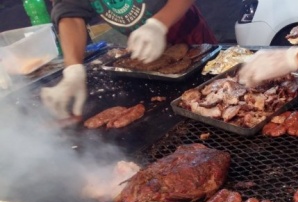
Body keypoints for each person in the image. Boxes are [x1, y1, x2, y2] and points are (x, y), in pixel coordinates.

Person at [41, 0, 217, 119]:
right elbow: (69, 12)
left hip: (187, 32)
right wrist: (73, 69)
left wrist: (158, 24)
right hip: (141, 43)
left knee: (208, 95)